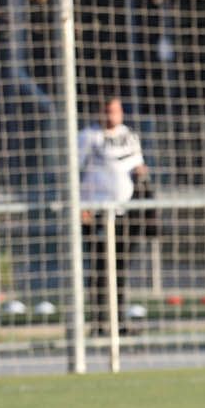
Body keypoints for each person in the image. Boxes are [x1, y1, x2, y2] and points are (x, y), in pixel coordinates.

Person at [77, 97, 149, 330]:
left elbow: (137, 166)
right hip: (97, 211)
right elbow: (76, 171)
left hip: (125, 211)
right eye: (107, 110)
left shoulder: (129, 136)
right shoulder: (89, 137)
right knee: (100, 268)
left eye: (116, 110)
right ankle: (99, 322)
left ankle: (119, 321)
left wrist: (141, 174)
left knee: (120, 268)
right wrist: (82, 206)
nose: (112, 115)